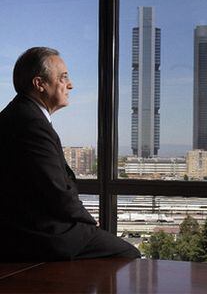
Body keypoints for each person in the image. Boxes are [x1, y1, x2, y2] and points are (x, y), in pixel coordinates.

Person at [0, 47, 140, 261]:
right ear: (39, 84)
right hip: (41, 234)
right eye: (63, 77)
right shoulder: (31, 124)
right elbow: (57, 189)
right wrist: (88, 221)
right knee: (129, 254)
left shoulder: (19, 114)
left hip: (21, 229)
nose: (71, 85)